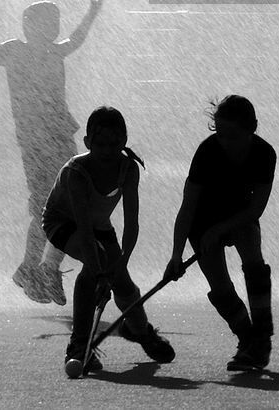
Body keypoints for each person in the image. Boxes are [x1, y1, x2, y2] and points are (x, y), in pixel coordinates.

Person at [0, 0, 102, 304]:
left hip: (57, 135)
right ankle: (38, 268)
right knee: (51, 207)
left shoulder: (54, 49)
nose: (52, 28)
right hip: (36, 140)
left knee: (67, 203)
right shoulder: (15, 49)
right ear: (28, 24)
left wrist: (91, 13)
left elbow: (76, 39)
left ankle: (38, 268)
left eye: (54, 22)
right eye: (46, 21)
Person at [41, 106, 174, 375]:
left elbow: (132, 224)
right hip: (62, 222)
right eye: (100, 144)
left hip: (99, 227)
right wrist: (100, 273)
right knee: (96, 265)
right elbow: (84, 231)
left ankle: (140, 331)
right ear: (87, 142)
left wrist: (120, 263)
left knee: (123, 283)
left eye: (114, 144)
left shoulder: (128, 169)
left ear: (124, 141)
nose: (107, 150)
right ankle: (79, 347)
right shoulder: (76, 172)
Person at [165, 95, 276, 371]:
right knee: (220, 286)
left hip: (239, 217)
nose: (225, 142)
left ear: (253, 128)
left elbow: (255, 210)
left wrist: (220, 229)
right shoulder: (207, 152)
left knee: (253, 257)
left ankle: (262, 338)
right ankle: (247, 340)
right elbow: (188, 208)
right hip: (202, 223)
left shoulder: (264, 154)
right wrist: (176, 256)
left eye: (233, 135)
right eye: (221, 134)